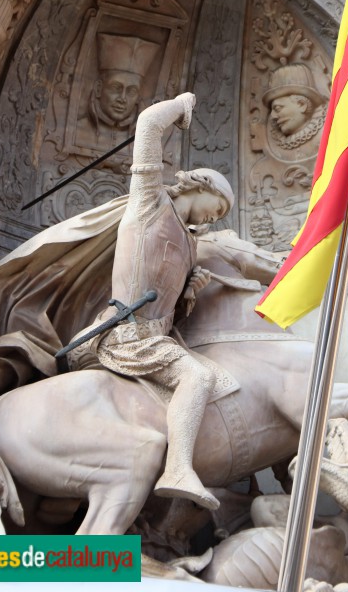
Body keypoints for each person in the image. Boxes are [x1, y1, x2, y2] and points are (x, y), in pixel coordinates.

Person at [69, 92, 234, 511]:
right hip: (125, 336)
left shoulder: (192, 247)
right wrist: (181, 104)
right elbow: (147, 125)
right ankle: (178, 468)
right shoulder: (150, 201)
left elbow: (170, 311)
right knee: (198, 378)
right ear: (201, 185)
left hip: (156, 340)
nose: (214, 220)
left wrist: (189, 294)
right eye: (217, 209)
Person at [76, 32, 160, 153]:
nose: (122, 98)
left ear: (138, 97)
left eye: (131, 91)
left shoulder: (147, 142)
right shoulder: (78, 130)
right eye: (116, 88)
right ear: (99, 88)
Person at [262, 63, 328, 161]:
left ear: (302, 105)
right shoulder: (273, 147)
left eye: (278, 108)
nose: (273, 116)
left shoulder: (327, 135)